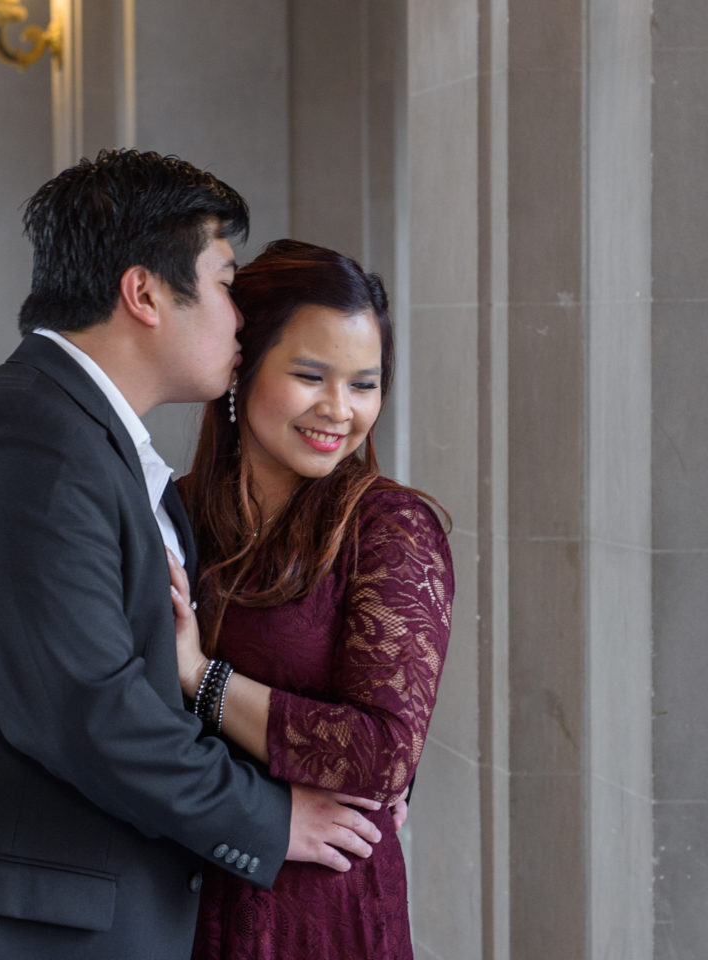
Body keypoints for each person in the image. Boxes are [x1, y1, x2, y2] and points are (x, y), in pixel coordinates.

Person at [0, 152, 383, 960]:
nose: (240, 315)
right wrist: (274, 818)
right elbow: (88, 711)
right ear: (143, 294)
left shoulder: (84, 440)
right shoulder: (22, 442)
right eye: (223, 280)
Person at [169, 239, 455, 959]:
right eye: (310, 375)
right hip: (171, 892)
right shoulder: (171, 512)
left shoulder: (387, 528)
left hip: (316, 912)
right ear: (242, 366)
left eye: (365, 384)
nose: (340, 410)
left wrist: (203, 680)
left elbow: (384, 755)